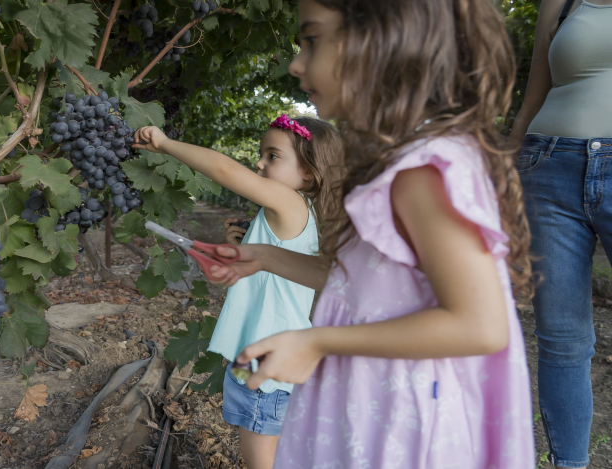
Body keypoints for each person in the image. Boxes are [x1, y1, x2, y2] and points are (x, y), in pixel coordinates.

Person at [206, 0, 536, 467]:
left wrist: (317, 341)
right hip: (377, 404)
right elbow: (366, 288)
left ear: (383, 40)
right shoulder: (396, 163)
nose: (297, 63)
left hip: (404, 424)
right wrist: (264, 257)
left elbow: (478, 325)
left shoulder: (422, 172)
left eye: (313, 40)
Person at [132, 116, 341, 469]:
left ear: (308, 172)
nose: (259, 162)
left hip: (264, 366)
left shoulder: (289, 203)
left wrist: (165, 144)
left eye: (273, 156)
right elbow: (272, 273)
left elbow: (226, 171)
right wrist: (248, 245)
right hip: (276, 359)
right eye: (261, 153)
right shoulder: (305, 214)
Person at [508, 0, 612, 466]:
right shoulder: (562, 1)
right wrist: (506, 168)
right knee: (562, 339)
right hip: (548, 167)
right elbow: (536, 95)